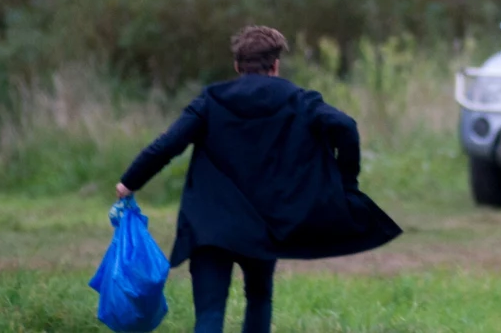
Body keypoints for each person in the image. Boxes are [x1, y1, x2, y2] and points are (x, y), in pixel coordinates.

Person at [115, 25, 403, 333]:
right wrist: (347, 184)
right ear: (275, 65)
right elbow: (345, 126)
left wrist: (129, 182)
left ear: (237, 65)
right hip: (264, 224)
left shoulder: (212, 100)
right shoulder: (299, 100)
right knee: (259, 297)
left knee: (210, 312)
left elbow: (168, 144)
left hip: (210, 224)